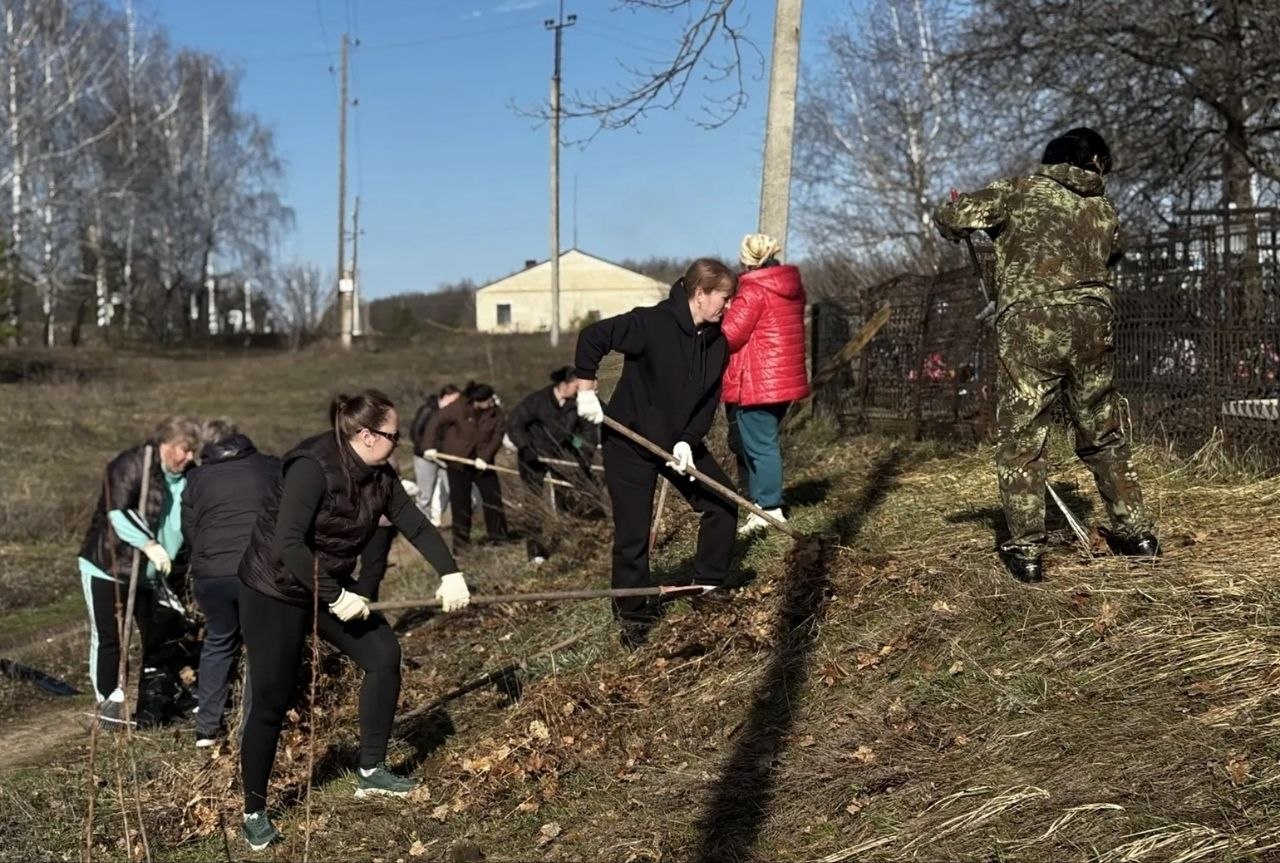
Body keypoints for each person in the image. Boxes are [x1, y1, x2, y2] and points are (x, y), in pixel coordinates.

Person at [235, 390, 471, 851]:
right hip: (275, 589)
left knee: (383, 655)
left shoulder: (380, 475)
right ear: (366, 435)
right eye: (393, 435)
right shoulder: (312, 467)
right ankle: (254, 812)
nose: (399, 442)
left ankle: (371, 771)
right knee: (272, 698)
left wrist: (450, 573)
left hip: (327, 584)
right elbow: (288, 545)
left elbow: (415, 524)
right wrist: (337, 595)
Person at [933, 127, 1160, 582]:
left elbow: (954, 216)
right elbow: (1114, 252)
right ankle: (1137, 535)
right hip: (1092, 322)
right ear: (1096, 163)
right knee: (1101, 429)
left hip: (1031, 324)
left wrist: (953, 215)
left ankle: (1028, 553)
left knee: (1023, 435)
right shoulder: (1104, 208)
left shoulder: (1018, 191)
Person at [574, 258, 739, 648]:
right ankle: (632, 617)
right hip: (629, 440)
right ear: (700, 293)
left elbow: (708, 402)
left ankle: (707, 586)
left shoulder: (718, 344)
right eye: (724, 298)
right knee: (633, 533)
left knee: (721, 503)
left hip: (678, 444)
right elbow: (592, 336)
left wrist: (687, 440)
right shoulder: (650, 323)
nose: (729, 306)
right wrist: (586, 390)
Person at [78, 416, 202, 729]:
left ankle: (158, 702)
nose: (189, 457)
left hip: (157, 572)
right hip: (110, 565)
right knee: (111, 637)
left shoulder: (190, 474)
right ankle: (108, 706)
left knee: (162, 636)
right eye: (184, 450)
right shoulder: (131, 465)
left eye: (193, 451)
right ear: (167, 443)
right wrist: (149, 544)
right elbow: (117, 512)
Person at [181, 420, 279, 747]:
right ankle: (249, 730)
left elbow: (190, 530)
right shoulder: (268, 466)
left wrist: (206, 559)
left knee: (218, 641)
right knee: (258, 645)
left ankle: (207, 728)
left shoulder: (196, 478)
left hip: (211, 576)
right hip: (256, 572)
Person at [720, 233, 810, 534]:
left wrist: (724, 313)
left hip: (758, 381)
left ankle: (770, 509)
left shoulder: (753, 290)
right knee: (760, 444)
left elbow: (730, 336)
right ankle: (761, 507)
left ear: (747, 260)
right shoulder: (789, 286)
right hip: (782, 379)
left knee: (760, 447)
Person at [506, 366, 598, 564]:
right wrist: (525, 447)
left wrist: (583, 454)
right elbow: (515, 423)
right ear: (564, 384)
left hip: (561, 458)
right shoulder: (537, 401)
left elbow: (588, 432)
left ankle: (567, 543)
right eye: (576, 386)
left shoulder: (577, 404)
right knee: (533, 501)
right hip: (533, 458)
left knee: (565, 499)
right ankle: (536, 552)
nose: (579, 391)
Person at [421, 382, 509, 552]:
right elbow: (435, 421)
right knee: (460, 503)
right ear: (477, 401)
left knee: (493, 498)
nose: (491, 402)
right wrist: (429, 446)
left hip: (483, 462)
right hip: (458, 462)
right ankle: (461, 545)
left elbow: (497, 436)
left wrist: (484, 457)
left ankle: (499, 538)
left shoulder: (495, 413)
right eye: (488, 400)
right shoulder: (459, 407)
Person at [409, 384, 461, 525]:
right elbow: (415, 432)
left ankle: (446, 520)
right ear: (445, 397)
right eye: (454, 399)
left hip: (445, 457)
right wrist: (425, 449)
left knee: (451, 489)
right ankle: (420, 523)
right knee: (425, 493)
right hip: (425, 457)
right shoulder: (428, 410)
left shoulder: (454, 413)